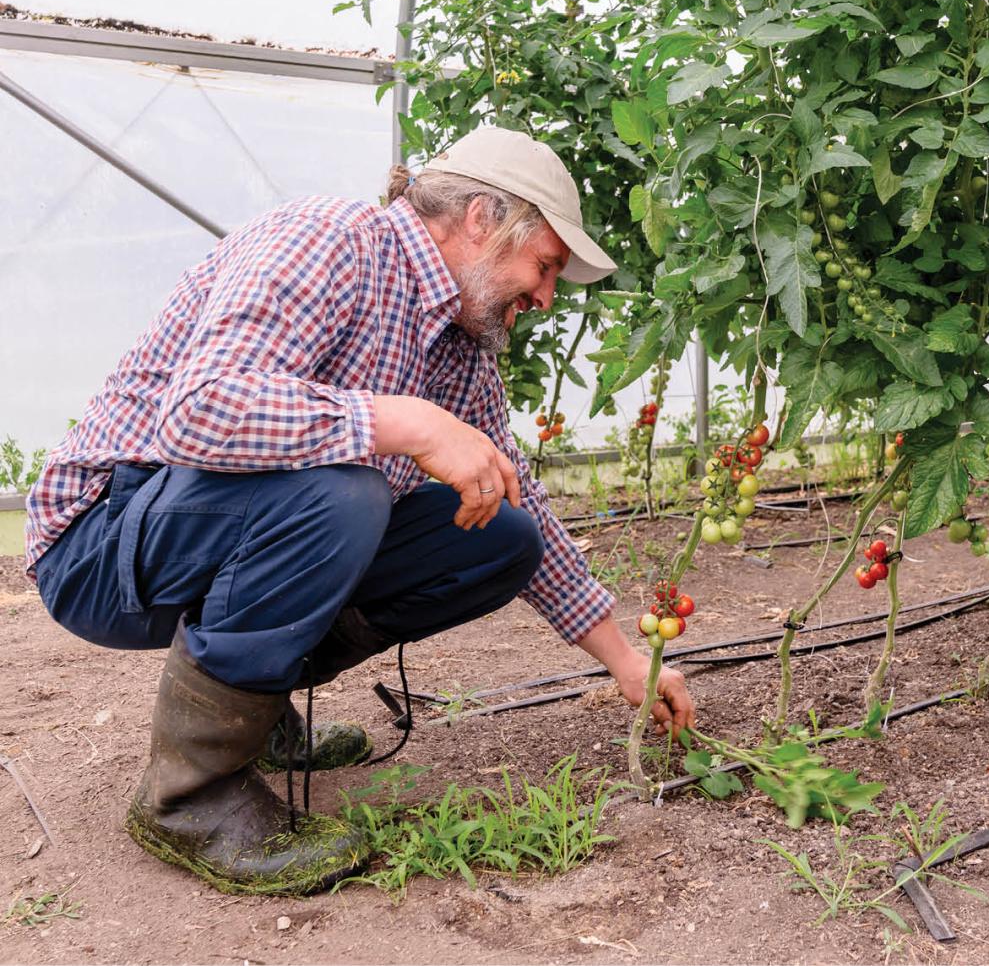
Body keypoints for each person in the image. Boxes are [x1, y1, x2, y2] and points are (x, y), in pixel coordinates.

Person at [25, 126, 696, 894]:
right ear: (481, 218)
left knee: (498, 534)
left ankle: (257, 704)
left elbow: (522, 496)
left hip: (201, 533)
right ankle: (189, 796)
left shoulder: (458, 341)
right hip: (102, 539)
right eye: (544, 265)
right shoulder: (329, 242)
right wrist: (407, 423)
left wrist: (624, 659)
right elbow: (200, 412)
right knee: (344, 490)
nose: (545, 295)